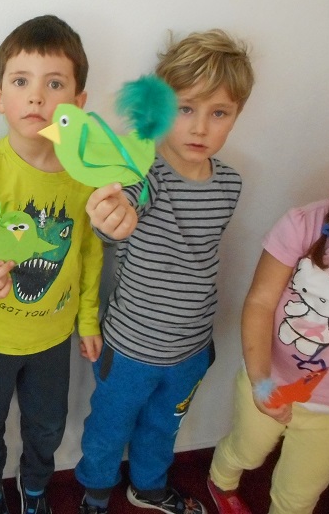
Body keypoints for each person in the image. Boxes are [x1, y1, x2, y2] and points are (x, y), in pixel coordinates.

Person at [75, 30, 255, 514]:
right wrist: (111, 217)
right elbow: (118, 217)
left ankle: (149, 486)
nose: (200, 127)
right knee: (109, 427)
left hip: (191, 349)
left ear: (237, 114)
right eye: (185, 108)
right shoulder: (142, 175)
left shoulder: (230, 184)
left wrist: (200, 346)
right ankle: (95, 494)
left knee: (163, 428)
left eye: (219, 113)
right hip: (131, 349)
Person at [0, 14, 104, 514]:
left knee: (48, 426)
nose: (36, 97)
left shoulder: (87, 175)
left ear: (78, 102)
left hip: (54, 337)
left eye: (54, 84)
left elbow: (89, 251)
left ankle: (35, 488)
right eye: (21, 82)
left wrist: (88, 319)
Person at [207, 112, 329, 514]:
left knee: (298, 496)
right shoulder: (303, 223)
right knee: (246, 451)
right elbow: (260, 302)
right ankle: (221, 480)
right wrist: (261, 383)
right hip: (271, 378)